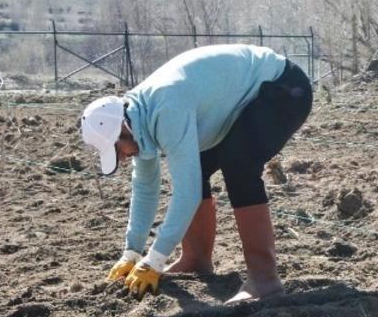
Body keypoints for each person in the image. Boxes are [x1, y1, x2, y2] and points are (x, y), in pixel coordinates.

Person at [80, 44, 313, 303]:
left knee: (239, 165)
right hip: (242, 100)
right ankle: (196, 260)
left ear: (124, 129)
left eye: (117, 150)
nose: (122, 158)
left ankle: (264, 279)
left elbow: (187, 194)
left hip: (283, 88)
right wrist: (131, 252)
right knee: (197, 166)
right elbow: (145, 187)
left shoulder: (166, 110)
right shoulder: (138, 117)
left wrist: (155, 259)